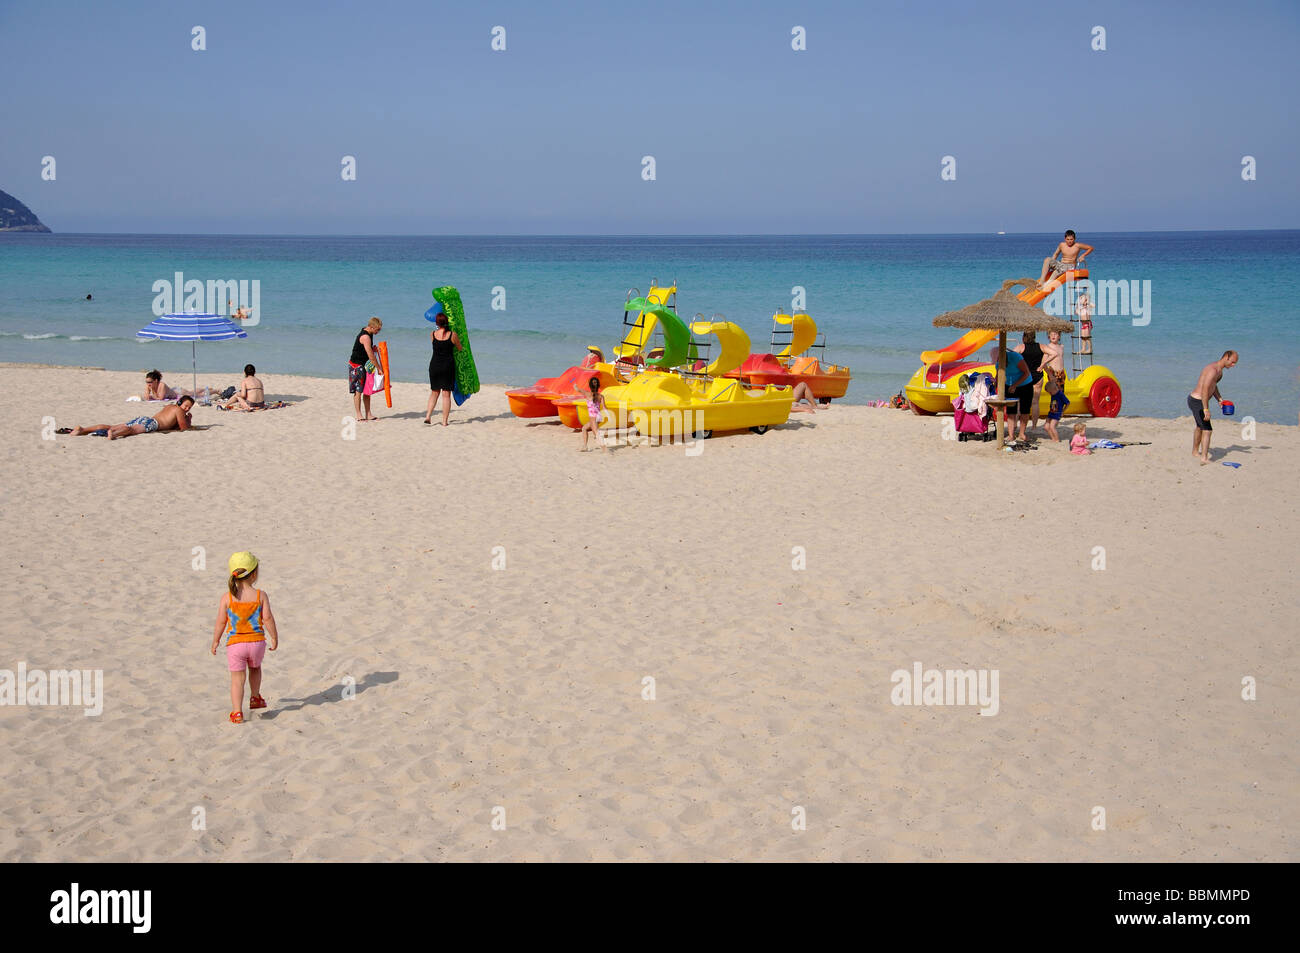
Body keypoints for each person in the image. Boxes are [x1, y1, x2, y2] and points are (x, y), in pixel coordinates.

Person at [210, 551, 279, 724]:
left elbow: (220, 622)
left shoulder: (227, 598)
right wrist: (274, 637)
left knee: (237, 679)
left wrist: (216, 640)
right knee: (255, 669)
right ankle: (255, 697)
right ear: (254, 574)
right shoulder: (260, 595)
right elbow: (268, 618)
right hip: (256, 643)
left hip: (235, 645)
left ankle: (237, 712)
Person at [1189, 350, 1239, 465]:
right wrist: (1206, 409)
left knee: (1199, 426)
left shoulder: (1219, 371)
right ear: (1226, 357)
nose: (1233, 365)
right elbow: (1205, 389)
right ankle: (1204, 458)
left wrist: (1220, 400)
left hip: (1195, 400)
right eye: (1232, 362)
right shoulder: (1213, 370)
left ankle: (1195, 452)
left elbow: (1213, 386)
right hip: (1197, 401)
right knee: (1207, 430)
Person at [69, 396, 195, 439]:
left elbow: (171, 423)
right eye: (186, 406)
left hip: (145, 419)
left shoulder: (169, 406)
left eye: (189, 408)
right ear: (180, 403)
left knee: (113, 425)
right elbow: (183, 428)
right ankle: (113, 433)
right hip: (152, 424)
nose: (187, 409)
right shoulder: (179, 410)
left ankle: (83, 430)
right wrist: (188, 420)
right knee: (131, 430)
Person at [423, 309, 462, 426]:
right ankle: (444, 421)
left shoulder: (432, 334)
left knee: (434, 392)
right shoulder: (452, 335)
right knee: (446, 395)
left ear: (437, 323)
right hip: (448, 367)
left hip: (434, 366)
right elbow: (459, 348)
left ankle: (428, 416)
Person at [990, 346, 1034, 443]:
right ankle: (1011, 435)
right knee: (1011, 410)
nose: (997, 361)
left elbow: (1026, 373)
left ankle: (1022, 433)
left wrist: (1015, 385)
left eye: (998, 359)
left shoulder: (1015, 357)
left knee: (1025, 409)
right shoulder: (998, 363)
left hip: (1025, 383)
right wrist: (995, 387)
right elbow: (998, 375)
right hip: (1009, 384)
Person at [349, 317, 383, 422]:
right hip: (356, 366)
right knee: (358, 390)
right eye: (377, 330)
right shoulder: (365, 337)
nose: (378, 332)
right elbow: (371, 356)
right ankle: (359, 415)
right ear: (371, 327)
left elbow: (367, 349)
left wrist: (373, 348)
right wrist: (379, 368)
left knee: (367, 389)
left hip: (365, 365)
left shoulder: (370, 333)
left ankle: (368, 413)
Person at [1014, 331, 1047, 430]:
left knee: (1019, 402)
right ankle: (1034, 427)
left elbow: (1010, 357)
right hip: (1037, 375)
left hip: (1024, 377)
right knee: (1035, 402)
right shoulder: (1041, 346)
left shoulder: (1021, 347)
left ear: (1024, 337)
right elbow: (1054, 353)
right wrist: (1042, 365)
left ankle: (1016, 426)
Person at [579, 376, 607, 452]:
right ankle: (585, 446)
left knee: (596, 433)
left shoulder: (588, 394)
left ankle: (604, 449)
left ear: (590, 385)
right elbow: (604, 407)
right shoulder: (601, 396)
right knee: (584, 428)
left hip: (593, 417)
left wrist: (575, 386)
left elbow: (579, 390)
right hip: (598, 416)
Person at [1043, 376, 1069, 442]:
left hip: (1057, 413)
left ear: (1054, 389)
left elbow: (1068, 403)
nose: (1050, 394)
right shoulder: (1053, 394)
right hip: (1051, 412)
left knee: (1052, 426)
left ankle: (1057, 440)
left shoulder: (1060, 394)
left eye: (1050, 392)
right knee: (1046, 427)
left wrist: (1063, 411)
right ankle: (1053, 438)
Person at [1077, 290, 1093, 355]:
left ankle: (1090, 349)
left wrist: (1088, 301)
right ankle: (1083, 348)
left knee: (1087, 337)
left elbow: (1093, 305)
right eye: (1080, 299)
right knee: (1083, 337)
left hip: (1087, 324)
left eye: (1082, 298)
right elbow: (1077, 312)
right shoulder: (1081, 308)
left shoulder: (1088, 307)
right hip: (1083, 324)